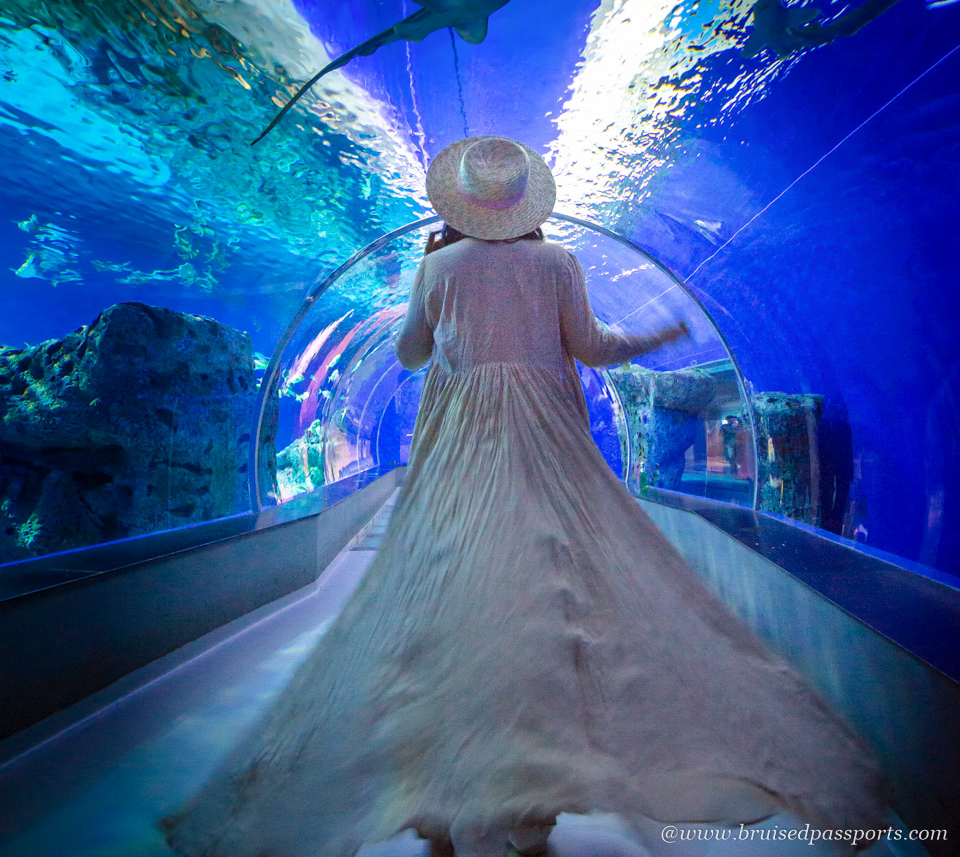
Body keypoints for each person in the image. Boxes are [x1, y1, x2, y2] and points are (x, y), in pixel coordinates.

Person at [162, 136, 888, 857]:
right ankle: (537, 788)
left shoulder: (439, 265)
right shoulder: (557, 263)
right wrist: (656, 332)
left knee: (459, 583)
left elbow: (413, 354)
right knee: (559, 580)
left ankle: (456, 774)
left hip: (461, 442)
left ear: (463, 201)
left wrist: (448, 324)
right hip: (547, 439)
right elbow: (594, 349)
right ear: (522, 204)